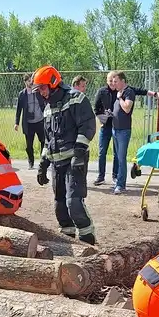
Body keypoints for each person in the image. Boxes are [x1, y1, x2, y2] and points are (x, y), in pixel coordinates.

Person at [33, 65, 98, 244]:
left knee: (73, 203)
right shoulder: (48, 107)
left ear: (53, 84)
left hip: (74, 160)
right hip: (57, 163)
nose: (41, 93)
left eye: (42, 88)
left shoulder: (76, 99)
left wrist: (78, 154)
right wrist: (42, 164)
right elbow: (48, 140)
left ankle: (87, 240)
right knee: (60, 206)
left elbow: (87, 126)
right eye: (38, 90)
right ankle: (68, 241)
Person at [94, 73, 159, 186]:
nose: (112, 83)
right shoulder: (102, 92)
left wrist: (154, 94)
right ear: (107, 81)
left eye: (114, 81)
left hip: (119, 127)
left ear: (119, 81)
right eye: (110, 81)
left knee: (117, 154)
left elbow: (141, 91)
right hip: (106, 126)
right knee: (102, 152)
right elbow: (96, 108)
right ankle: (101, 176)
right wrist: (102, 118)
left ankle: (116, 176)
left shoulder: (123, 90)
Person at [14, 73, 46, 170]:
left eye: (32, 80)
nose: (31, 82)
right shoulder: (22, 94)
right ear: (25, 82)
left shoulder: (38, 91)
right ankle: (31, 162)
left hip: (40, 121)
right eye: (28, 81)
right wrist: (16, 123)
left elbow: (45, 103)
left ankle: (43, 161)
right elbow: (19, 109)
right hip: (28, 123)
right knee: (29, 145)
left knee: (44, 142)